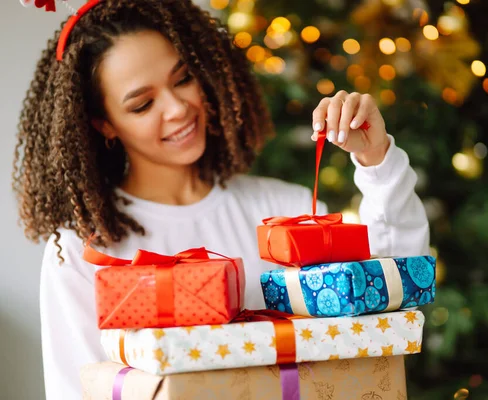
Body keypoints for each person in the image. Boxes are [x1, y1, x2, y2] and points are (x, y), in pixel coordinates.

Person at [12, 0, 430, 399]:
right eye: (142, 104)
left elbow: (391, 301)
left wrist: (376, 161)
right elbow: (78, 389)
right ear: (103, 124)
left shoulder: (286, 209)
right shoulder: (83, 249)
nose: (178, 108)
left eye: (183, 79)